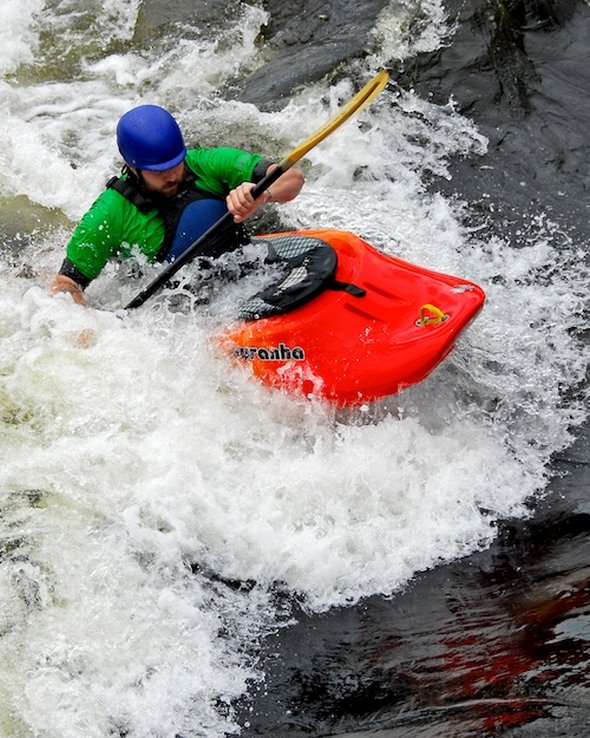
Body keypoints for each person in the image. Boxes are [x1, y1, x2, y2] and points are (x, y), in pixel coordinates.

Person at [50, 104, 305, 306]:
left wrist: (263, 194)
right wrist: (81, 327)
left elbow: (293, 178)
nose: (172, 175)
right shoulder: (109, 213)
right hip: (180, 307)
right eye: (159, 171)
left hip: (244, 271)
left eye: (176, 163)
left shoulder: (206, 163)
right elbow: (67, 283)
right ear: (133, 168)